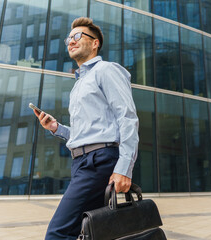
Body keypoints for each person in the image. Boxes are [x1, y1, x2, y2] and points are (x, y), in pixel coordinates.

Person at [33, 17, 139, 240]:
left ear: (95, 43)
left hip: (99, 161)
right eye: (69, 38)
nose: (71, 41)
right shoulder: (79, 84)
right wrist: (56, 128)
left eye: (77, 36)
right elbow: (90, 133)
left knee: (58, 233)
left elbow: (127, 118)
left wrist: (124, 168)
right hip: (82, 163)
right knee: (92, 232)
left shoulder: (106, 70)